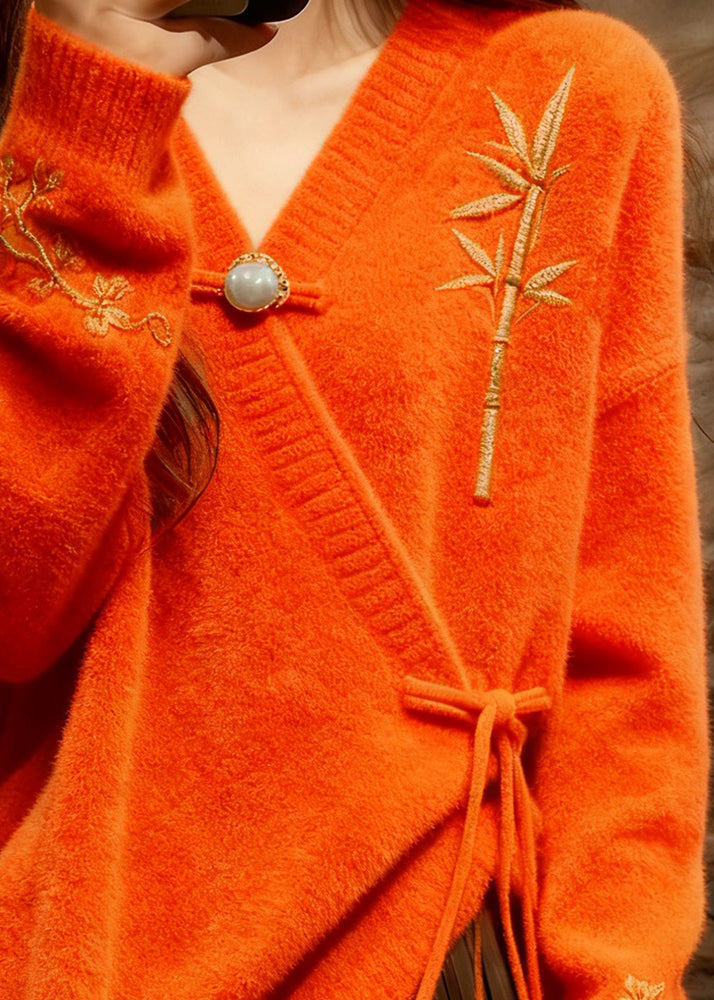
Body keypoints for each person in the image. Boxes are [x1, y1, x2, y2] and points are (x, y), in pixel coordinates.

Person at [0, 0, 709, 998]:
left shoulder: (572, 90)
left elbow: (624, 635)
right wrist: (86, 120)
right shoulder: (32, 95)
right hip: (69, 940)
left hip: (433, 945)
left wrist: (622, 970)